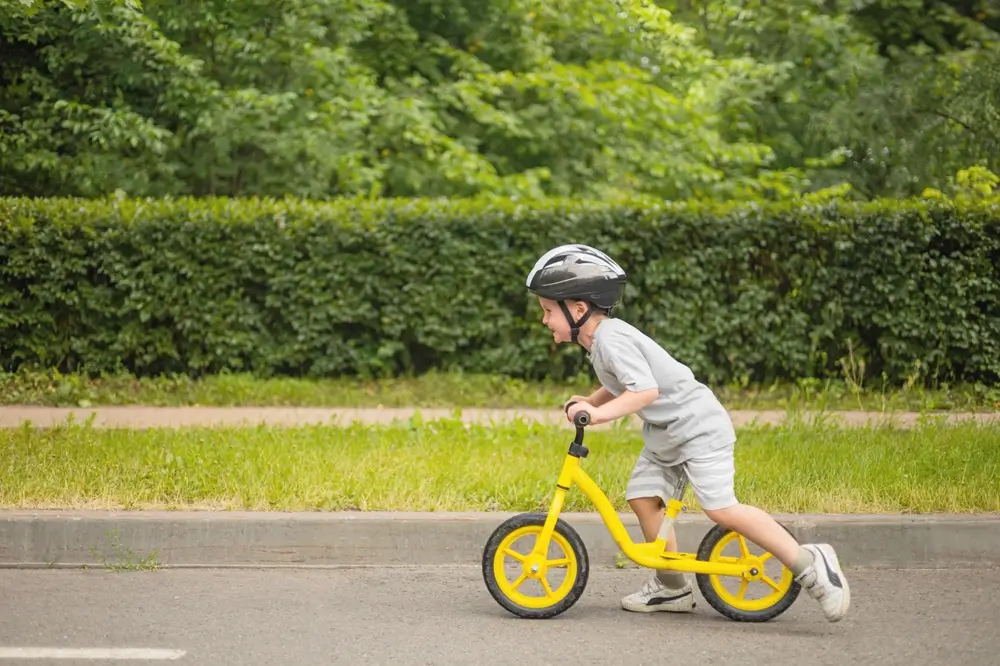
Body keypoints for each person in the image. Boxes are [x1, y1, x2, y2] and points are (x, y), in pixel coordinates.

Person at [525, 243, 850, 623]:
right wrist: (593, 401)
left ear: (578, 309)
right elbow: (621, 382)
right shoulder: (597, 340)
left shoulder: (611, 338)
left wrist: (597, 417)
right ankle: (671, 586)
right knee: (644, 498)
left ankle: (811, 563)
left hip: (698, 428)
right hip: (668, 433)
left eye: (549, 311)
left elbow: (645, 391)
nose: (545, 320)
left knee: (721, 509)